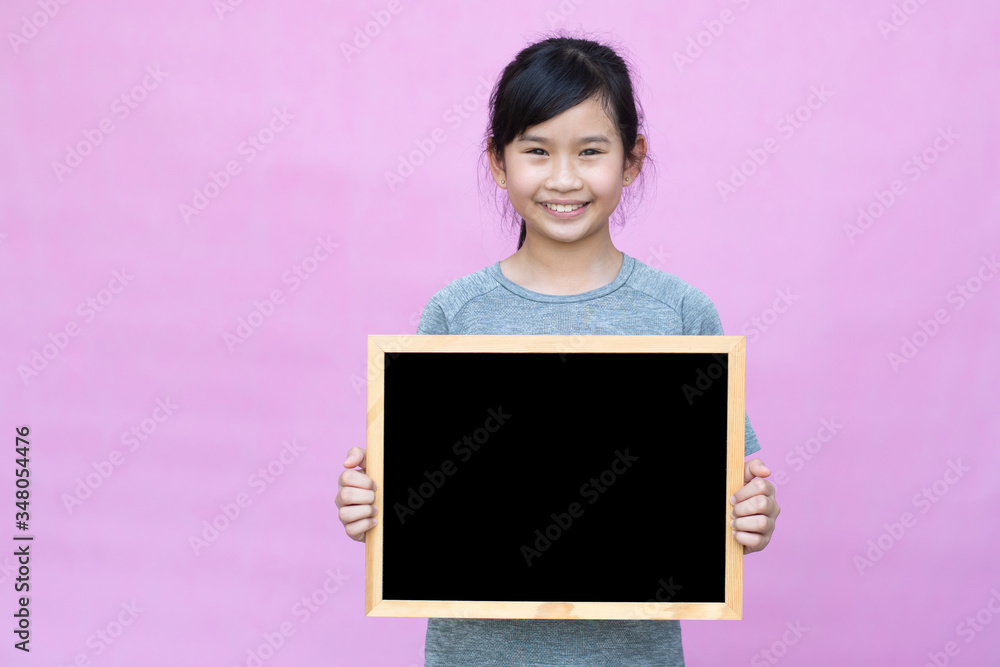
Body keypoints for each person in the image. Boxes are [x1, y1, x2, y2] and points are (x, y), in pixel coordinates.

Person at [336, 32, 781, 667]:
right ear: (498, 161)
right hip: (476, 656)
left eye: (591, 151)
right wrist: (368, 508)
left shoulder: (679, 313)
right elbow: (417, 494)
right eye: (537, 151)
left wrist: (755, 516)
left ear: (631, 160)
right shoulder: (456, 313)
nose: (565, 178)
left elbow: (733, 489)